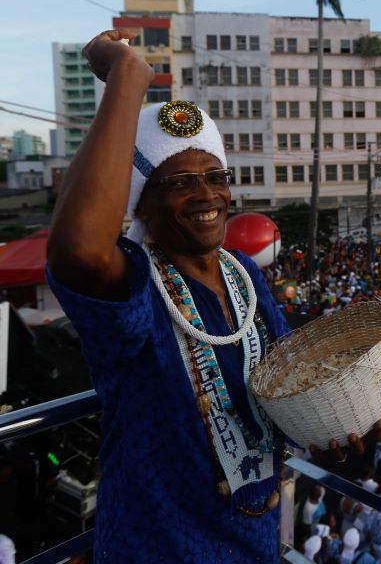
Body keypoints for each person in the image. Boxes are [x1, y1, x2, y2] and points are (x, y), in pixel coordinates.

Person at [45, 30, 361, 562]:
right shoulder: (136, 282)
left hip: (254, 540)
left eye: (216, 176)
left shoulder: (243, 274)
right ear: (141, 206)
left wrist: (332, 427)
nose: (207, 194)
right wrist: (126, 76)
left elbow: (287, 386)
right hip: (157, 548)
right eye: (179, 182)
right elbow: (77, 250)